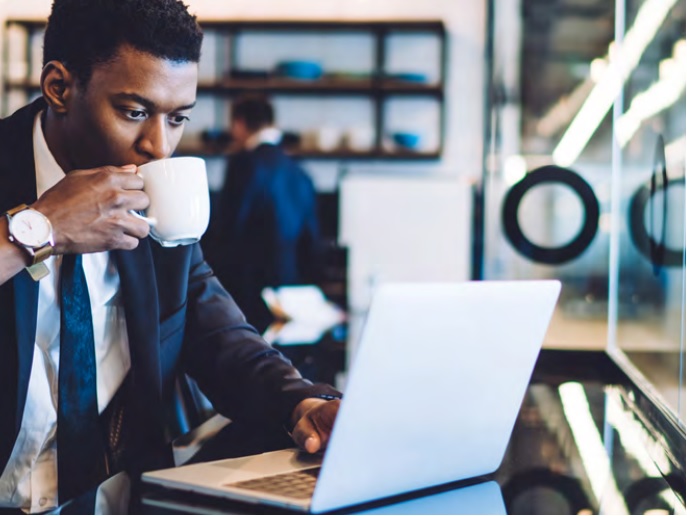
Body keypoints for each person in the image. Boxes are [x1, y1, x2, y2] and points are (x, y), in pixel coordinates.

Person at [0, 1, 340, 512]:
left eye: (177, 118)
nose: (159, 147)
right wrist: (36, 231)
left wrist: (304, 403)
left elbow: (220, 334)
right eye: (134, 112)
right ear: (59, 88)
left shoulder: (158, 196)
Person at [203, 94, 322, 332]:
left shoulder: (243, 163)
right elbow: (312, 237)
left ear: (239, 124)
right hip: (290, 290)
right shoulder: (299, 170)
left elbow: (229, 228)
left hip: (249, 289)